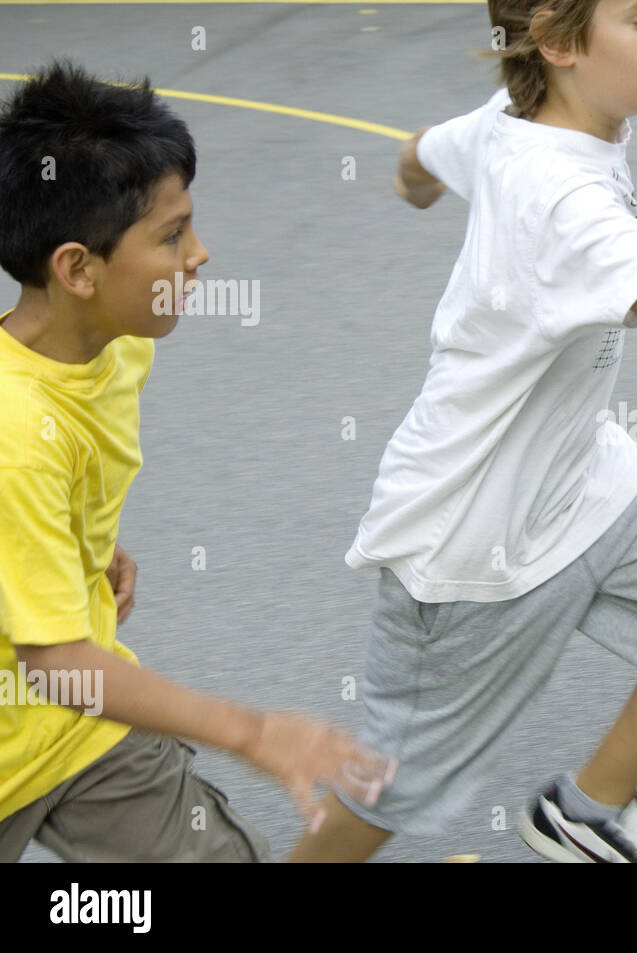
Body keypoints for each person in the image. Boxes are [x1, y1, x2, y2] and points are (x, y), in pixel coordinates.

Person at [289, 0, 637, 863]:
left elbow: (425, 151)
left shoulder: (512, 120)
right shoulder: (562, 197)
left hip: (585, 484)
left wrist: (414, 175)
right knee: (393, 789)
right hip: (470, 540)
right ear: (556, 43)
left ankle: (585, 813)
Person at [0, 62, 396, 863]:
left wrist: (77, 544)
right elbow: (57, 663)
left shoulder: (114, 349)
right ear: (78, 269)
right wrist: (253, 731)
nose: (200, 254)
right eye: (172, 235)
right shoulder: (15, 434)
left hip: (77, 735)